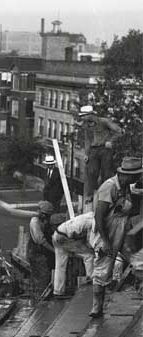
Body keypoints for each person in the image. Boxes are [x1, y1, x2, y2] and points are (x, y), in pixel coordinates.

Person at [89, 156, 142, 318]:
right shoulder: (109, 187)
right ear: (126, 174)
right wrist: (106, 241)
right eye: (135, 176)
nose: (137, 179)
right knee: (102, 270)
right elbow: (99, 217)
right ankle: (96, 308)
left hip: (123, 229)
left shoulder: (126, 186)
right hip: (107, 232)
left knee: (139, 260)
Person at [77, 106, 123, 201]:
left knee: (106, 173)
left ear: (90, 115)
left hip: (105, 150)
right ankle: (92, 195)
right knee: (91, 172)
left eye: (83, 116)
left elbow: (119, 131)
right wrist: (86, 154)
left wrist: (111, 141)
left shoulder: (104, 121)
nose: (82, 118)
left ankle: (107, 195)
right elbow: (87, 140)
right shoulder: (86, 126)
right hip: (94, 150)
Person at [52, 212, 95, 297]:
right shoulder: (93, 222)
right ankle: (92, 281)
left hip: (56, 235)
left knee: (60, 265)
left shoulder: (89, 216)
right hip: (64, 237)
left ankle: (58, 291)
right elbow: (90, 243)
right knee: (89, 255)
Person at [27, 201, 55, 299]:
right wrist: (54, 250)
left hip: (41, 253)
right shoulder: (35, 222)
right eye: (45, 215)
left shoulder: (43, 221)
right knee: (42, 276)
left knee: (40, 275)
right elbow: (41, 240)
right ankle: (41, 299)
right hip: (35, 253)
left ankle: (38, 296)